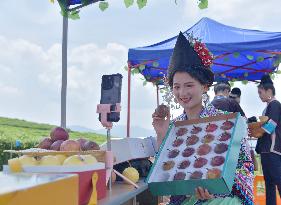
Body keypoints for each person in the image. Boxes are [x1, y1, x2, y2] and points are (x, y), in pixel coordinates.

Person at [152, 32, 254, 205]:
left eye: (189, 85)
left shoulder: (228, 123)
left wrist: (216, 190)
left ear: (205, 86)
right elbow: (166, 176)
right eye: (176, 87)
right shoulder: (175, 127)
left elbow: (246, 169)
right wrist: (162, 134)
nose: (182, 93)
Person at [255, 74, 281, 205]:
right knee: (269, 183)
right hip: (266, 150)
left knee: (278, 180)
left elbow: (271, 126)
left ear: (269, 91)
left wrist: (256, 131)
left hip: (272, 149)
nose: (259, 96)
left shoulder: (275, 105)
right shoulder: (268, 106)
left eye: (260, 92)